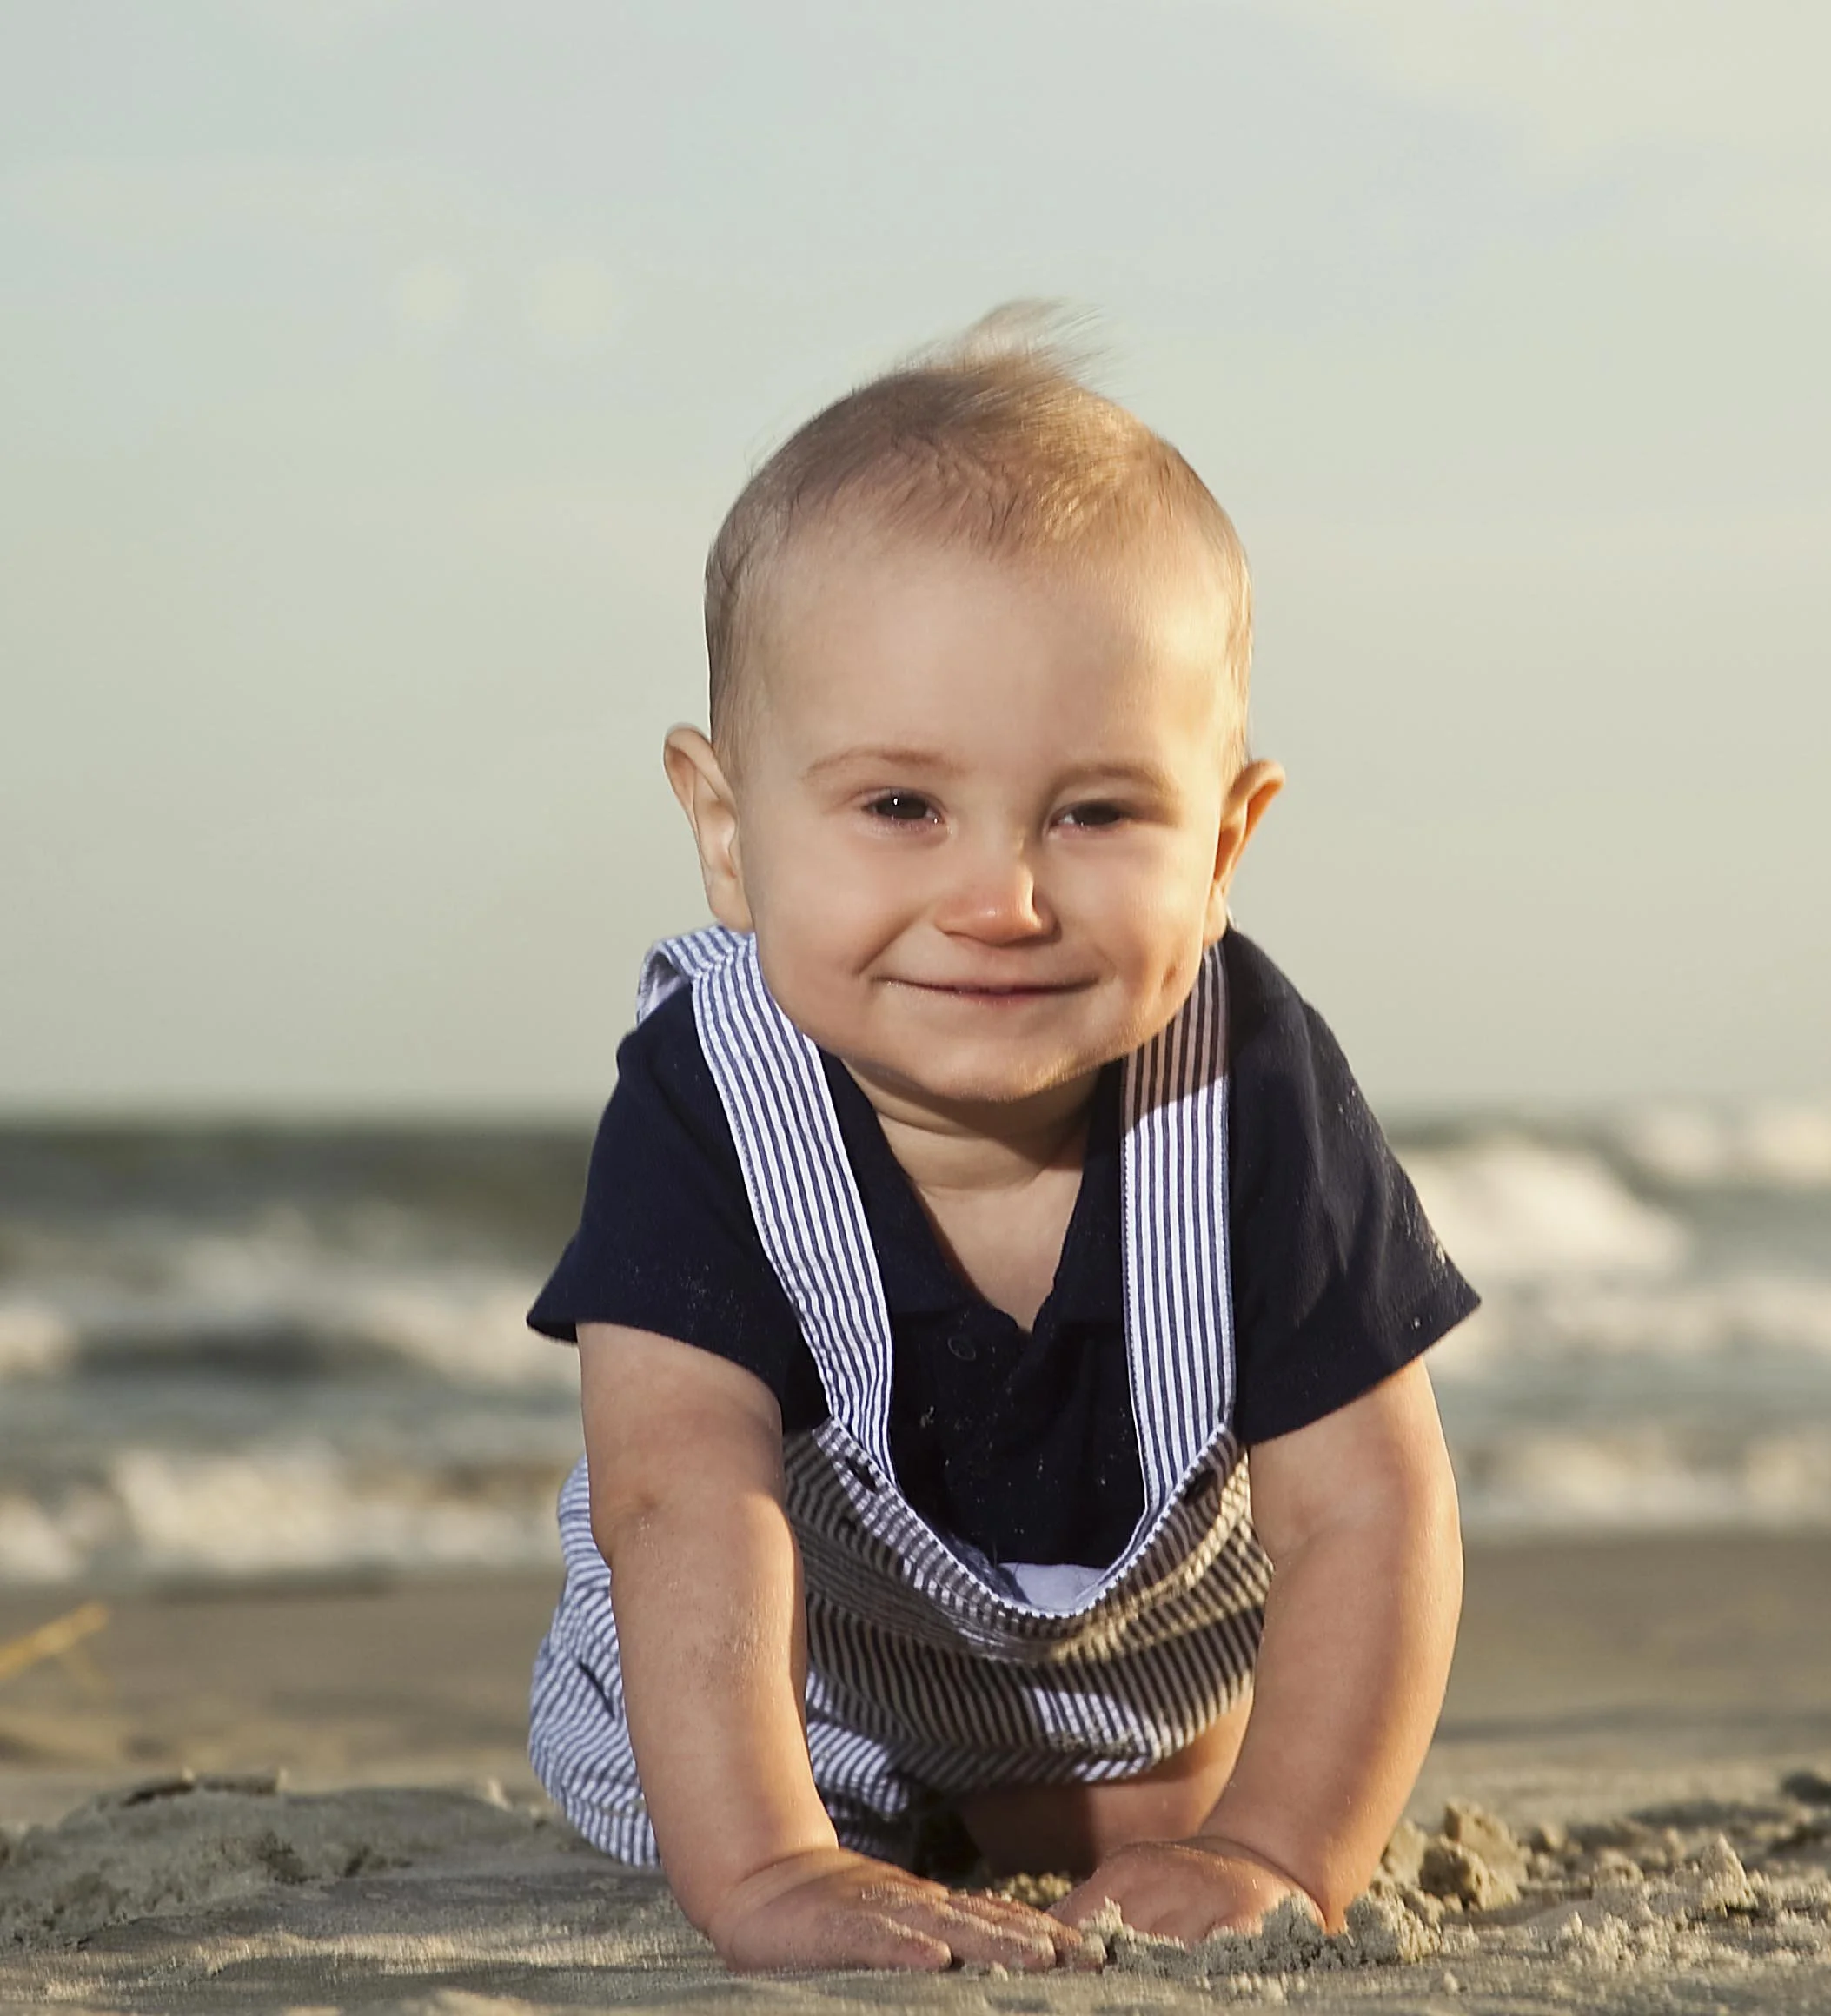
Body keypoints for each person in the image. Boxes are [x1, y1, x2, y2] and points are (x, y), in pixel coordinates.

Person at [524, 310, 1476, 1973]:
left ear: (1228, 840)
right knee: (670, 1790)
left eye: (1096, 813)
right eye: (901, 807)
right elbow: (679, 1493)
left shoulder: (1245, 1086)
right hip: (795, 1668)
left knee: (1172, 1819)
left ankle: (1096, 1795)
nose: (1001, 899)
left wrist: (1282, 1844)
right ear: (728, 834)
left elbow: (1372, 1515)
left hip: (1135, 1663)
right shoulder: (708, 1095)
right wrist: (766, 1867)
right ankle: (853, 1818)